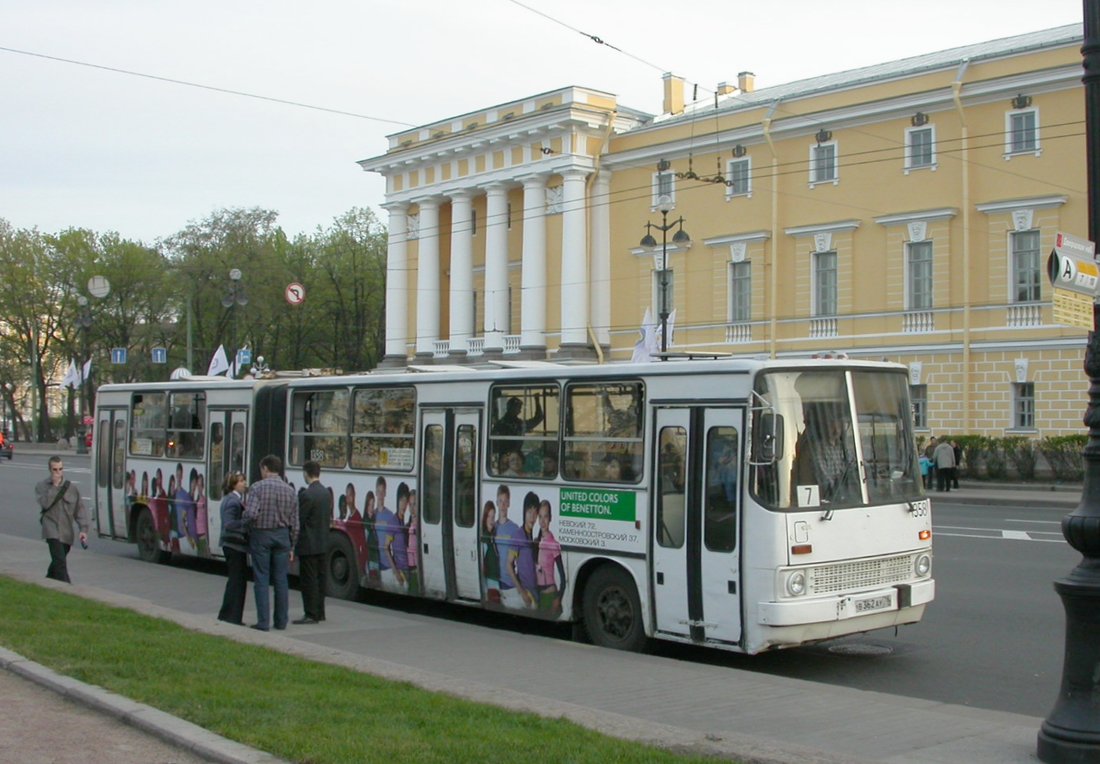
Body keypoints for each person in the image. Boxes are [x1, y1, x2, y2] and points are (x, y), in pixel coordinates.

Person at [242, 454, 299, 631]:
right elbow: (295, 523)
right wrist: (292, 545)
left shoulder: (257, 488)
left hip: (262, 535)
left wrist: (246, 523)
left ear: (265, 468)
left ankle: (263, 622)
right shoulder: (290, 490)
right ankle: (281, 621)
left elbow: (250, 514)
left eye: (261, 470)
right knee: (281, 579)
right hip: (282, 537)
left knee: (261, 578)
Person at [36, 456, 89, 583]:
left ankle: (47, 582)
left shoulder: (71, 488)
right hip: (51, 529)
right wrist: (54, 487)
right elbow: (45, 504)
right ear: (50, 470)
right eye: (55, 469)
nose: (58, 472)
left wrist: (83, 529)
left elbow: (79, 509)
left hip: (66, 531)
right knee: (60, 562)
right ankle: (67, 587)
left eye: (60, 469)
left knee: (58, 562)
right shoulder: (42, 486)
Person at [294, 460, 331, 625]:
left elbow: (299, 520)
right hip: (322, 543)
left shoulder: (307, 494)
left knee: (308, 581)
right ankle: (320, 611)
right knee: (320, 579)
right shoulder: (325, 493)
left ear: (306, 473)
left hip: (308, 544)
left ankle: (310, 613)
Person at [216, 472, 249, 625]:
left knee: (235, 580)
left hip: (230, 545)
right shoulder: (233, 502)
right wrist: (245, 522)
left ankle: (229, 615)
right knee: (237, 581)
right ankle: (232, 616)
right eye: (241, 481)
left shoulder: (230, 499)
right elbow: (229, 524)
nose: (244, 483)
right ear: (234, 485)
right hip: (234, 545)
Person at [535, 500, 565, 615]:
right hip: (538, 595)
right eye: (540, 517)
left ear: (550, 518)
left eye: (546, 517)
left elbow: (563, 577)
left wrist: (558, 598)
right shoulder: (536, 541)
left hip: (550, 595)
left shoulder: (553, 544)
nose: (542, 521)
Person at [480, 500, 500, 603]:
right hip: (490, 583)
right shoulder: (485, 537)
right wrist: (484, 589)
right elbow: (482, 564)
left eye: (493, 517)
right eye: (489, 517)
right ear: (485, 518)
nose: (492, 520)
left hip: (496, 581)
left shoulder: (492, 536)